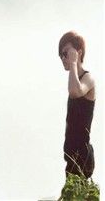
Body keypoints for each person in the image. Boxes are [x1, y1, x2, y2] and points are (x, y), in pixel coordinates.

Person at [58, 31, 96, 181]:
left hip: (82, 158)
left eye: (66, 53)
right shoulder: (73, 79)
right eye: (61, 55)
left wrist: (74, 63)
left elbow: (76, 92)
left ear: (78, 52)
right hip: (72, 157)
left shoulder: (88, 78)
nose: (63, 58)